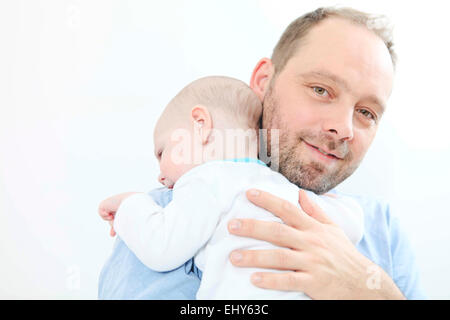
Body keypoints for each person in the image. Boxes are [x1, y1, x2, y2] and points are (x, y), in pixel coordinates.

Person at [98, 6, 426, 299]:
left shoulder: (381, 229)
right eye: (321, 90)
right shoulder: (163, 214)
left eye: (367, 112)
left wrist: (369, 291)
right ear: (264, 81)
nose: (344, 128)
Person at [98, 76, 365, 299]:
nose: (159, 176)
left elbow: (161, 249)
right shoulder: (282, 186)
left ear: (200, 125)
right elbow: (351, 226)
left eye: (162, 152)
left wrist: (130, 205)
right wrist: (337, 202)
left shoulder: (205, 181)